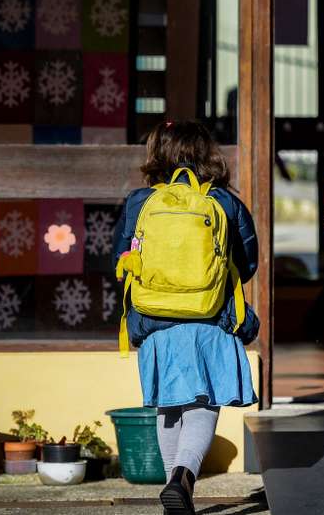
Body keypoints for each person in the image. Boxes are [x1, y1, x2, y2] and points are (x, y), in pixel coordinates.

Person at [113, 121, 258, 514]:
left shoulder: (140, 202)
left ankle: (174, 495)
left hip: (156, 324)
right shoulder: (224, 203)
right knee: (202, 406)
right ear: (207, 154)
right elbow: (248, 265)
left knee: (170, 407)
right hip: (208, 322)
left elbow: (119, 262)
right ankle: (183, 480)